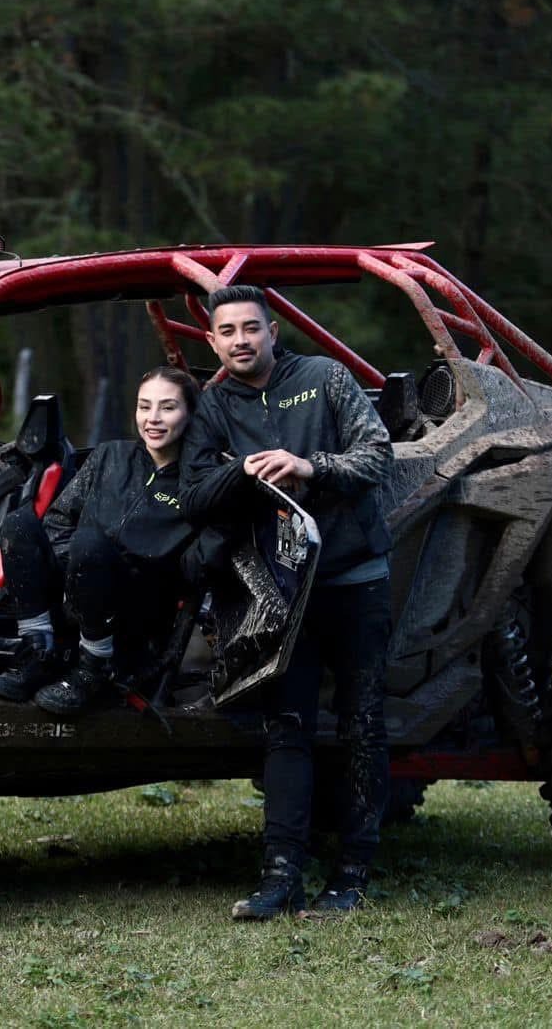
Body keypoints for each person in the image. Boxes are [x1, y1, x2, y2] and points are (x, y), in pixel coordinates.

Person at [180, 284, 393, 918]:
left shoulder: (325, 377)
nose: (240, 340)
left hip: (354, 576)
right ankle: (280, 876)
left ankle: (352, 873)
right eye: (227, 332)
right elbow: (193, 495)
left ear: (272, 332)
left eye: (251, 328)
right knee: (287, 726)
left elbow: (377, 456)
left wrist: (309, 466)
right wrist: (242, 469)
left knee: (361, 723)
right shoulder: (214, 406)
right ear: (213, 341)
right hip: (278, 593)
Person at [0, 366, 209, 715]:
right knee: (19, 524)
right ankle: (39, 651)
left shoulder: (200, 484)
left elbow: (193, 567)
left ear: (191, 414)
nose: (153, 418)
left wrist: (96, 561)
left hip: (135, 610)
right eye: (144, 406)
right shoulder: (109, 456)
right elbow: (58, 520)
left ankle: (94, 668)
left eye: (168, 407)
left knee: (91, 544)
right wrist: (78, 569)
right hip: (79, 586)